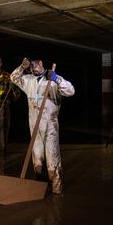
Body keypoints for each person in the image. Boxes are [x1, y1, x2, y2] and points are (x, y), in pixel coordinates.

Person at [10, 57, 75, 194]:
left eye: (33, 65)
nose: (32, 69)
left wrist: (57, 78)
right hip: (34, 126)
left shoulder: (52, 80)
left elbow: (70, 91)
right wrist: (22, 67)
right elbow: (13, 78)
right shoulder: (28, 80)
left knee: (52, 158)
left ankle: (57, 190)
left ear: (40, 63)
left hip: (50, 125)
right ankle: (40, 189)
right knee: (37, 160)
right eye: (29, 67)